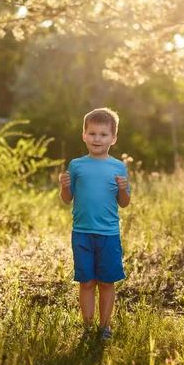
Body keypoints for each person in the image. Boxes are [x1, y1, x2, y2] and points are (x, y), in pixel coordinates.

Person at [59, 107, 131, 341]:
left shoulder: (118, 167)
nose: (97, 139)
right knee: (87, 282)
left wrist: (122, 189)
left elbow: (124, 203)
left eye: (103, 134)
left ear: (113, 138)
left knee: (106, 282)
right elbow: (67, 199)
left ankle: (104, 328)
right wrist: (64, 186)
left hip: (108, 235)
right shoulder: (77, 165)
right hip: (82, 233)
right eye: (92, 134)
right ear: (84, 135)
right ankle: (88, 328)